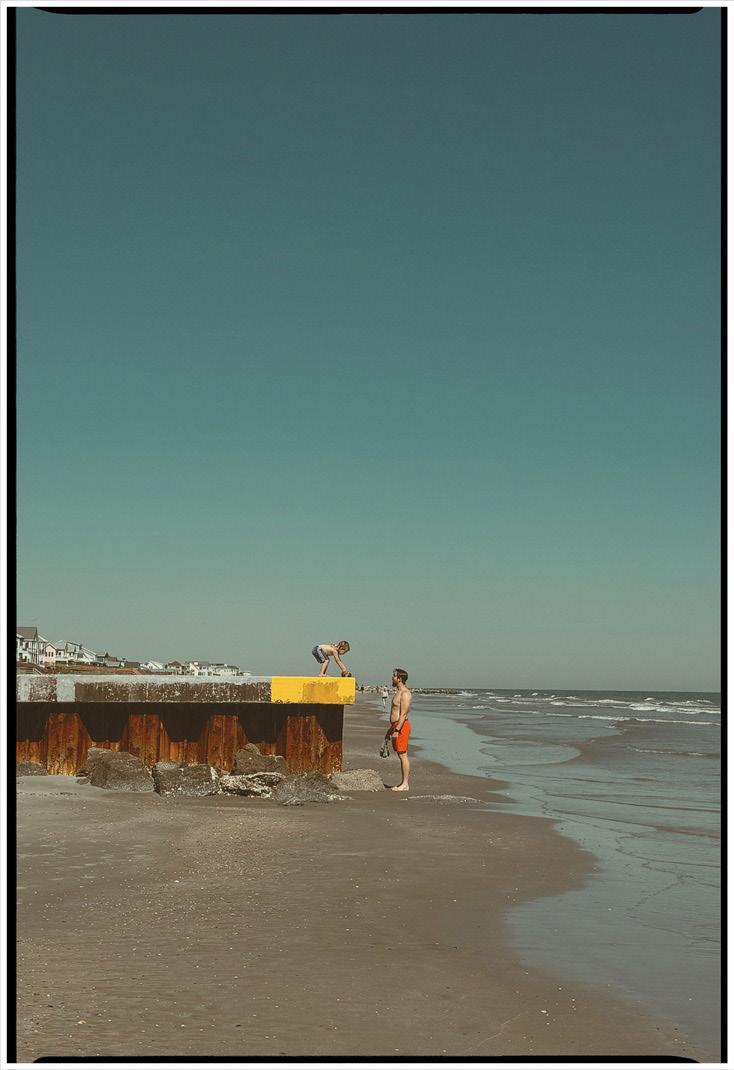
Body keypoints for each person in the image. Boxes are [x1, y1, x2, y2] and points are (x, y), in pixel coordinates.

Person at [385, 667, 412, 791]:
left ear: (400, 679)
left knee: (403, 755)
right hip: (396, 726)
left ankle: (405, 784)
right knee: (400, 754)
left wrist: (397, 730)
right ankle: (403, 783)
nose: (392, 678)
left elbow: (403, 714)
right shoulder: (398, 692)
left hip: (401, 726)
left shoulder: (405, 694)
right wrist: (390, 730)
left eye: (394, 676)